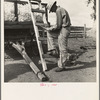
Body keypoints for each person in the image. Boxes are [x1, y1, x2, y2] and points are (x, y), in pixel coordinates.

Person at [45, 1, 72, 72]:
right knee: (49, 33)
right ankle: (52, 49)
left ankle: (62, 65)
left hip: (64, 29)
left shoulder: (58, 10)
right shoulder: (60, 9)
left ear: (53, 6)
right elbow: (59, 24)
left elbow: (59, 25)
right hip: (63, 29)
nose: (52, 11)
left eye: (51, 10)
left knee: (62, 48)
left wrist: (51, 28)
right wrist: (50, 29)